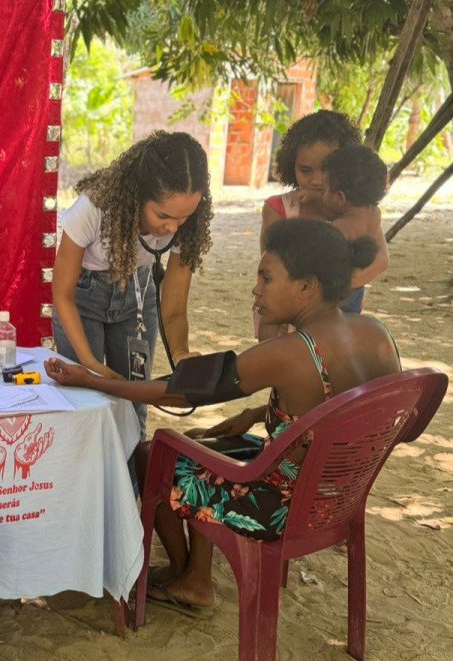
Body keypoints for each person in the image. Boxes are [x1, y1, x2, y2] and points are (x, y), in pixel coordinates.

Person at [43, 218, 401, 610]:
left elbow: (181, 391)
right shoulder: (377, 334)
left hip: (282, 506)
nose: (256, 289)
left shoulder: (291, 353)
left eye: (266, 278)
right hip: (337, 494)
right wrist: (254, 413)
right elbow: (353, 411)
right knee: (202, 444)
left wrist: (96, 380)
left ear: (306, 286)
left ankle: (192, 578)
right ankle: (190, 572)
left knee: (153, 454)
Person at [52, 130, 213, 427]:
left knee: (134, 402)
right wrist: (89, 364)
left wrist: (181, 355)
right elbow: (62, 294)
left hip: (137, 297)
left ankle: (131, 473)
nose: (173, 227)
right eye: (162, 216)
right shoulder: (92, 209)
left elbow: (175, 308)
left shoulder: (184, 226)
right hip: (82, 298)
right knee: (85, 402)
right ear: (138, 195)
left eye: (184, 217)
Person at [257, 110, 362, 339]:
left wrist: (327, 291)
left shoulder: (356, 212)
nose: (316, 180)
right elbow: (269, 271)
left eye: (326, 169)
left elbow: (380, 262)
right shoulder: (280, 210)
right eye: (305, 170)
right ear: (290, 166)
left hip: (339, 328)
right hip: (283, 324)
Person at [320, 143, 390, 311]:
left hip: (335, 295)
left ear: (339, 198)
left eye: (324, 188)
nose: (321, 194)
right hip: (357, 292)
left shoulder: (337, 229)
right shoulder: (375, 214)